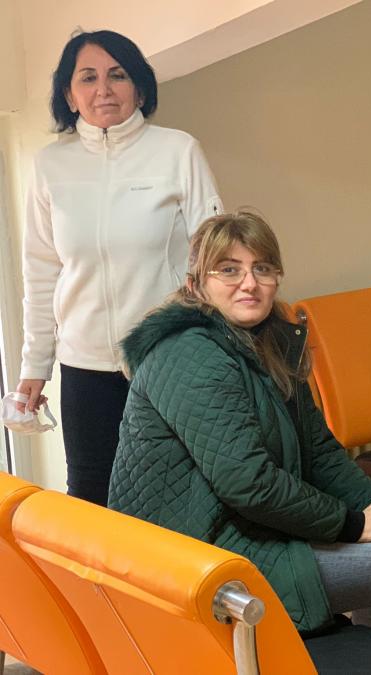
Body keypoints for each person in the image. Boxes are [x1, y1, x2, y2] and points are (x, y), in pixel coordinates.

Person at [107, 211, 371, 645]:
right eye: (229, 270)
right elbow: (248, 483)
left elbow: (319, 450)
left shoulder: (268, 342)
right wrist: (355, 525)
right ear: (196, 284)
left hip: (244, 530)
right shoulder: (190, 354)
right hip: (200, 554)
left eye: (262, 268)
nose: (250, 283)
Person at [16, 30, 223, 506]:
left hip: (165, 359)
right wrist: (34, 365)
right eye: (88, 78)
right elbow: (41, 272)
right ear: (70, 95)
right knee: (92, 500)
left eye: (118, 75)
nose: (103, 89)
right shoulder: (50, 166)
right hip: (84, 368)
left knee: (179, 498)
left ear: (140, 89)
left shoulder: (178, 151)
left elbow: (216, 259)